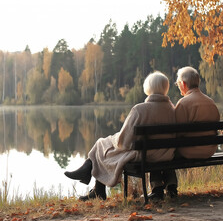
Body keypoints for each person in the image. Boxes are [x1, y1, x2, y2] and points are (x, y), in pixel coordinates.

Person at [64, 71, 176, 201]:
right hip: (166, 154)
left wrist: (112, 139)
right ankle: (94, 183)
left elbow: (124, 142)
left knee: (103, 144)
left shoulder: (140, 110)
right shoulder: (172, 109)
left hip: (145, 155)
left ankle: (92, 176)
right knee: (104, 146)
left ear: (148, 87)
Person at [149, 66, 220, 200]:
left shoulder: (183, 104)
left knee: (162, 151)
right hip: (210, 150)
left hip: (190, 151)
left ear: (184, 84)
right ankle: (170, 187)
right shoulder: (211, 102)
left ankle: (160, 188)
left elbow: (176, 135)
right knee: (168, 149)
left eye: (178, 83)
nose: (178, 86)